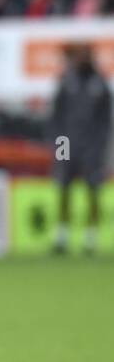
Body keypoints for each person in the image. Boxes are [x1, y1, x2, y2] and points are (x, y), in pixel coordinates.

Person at [51, 43, 111, 254]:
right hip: (66, 143)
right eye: (80, 56)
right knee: (63, 187)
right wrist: (58, 146)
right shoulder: (66, 81)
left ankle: (90, 237)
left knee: (93, 189)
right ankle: (61, 235)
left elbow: (106, 120)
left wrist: (101, 146)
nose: (82, 60)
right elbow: (56, 116)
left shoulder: (99, 83)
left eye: (86, 56)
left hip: (92, 145)